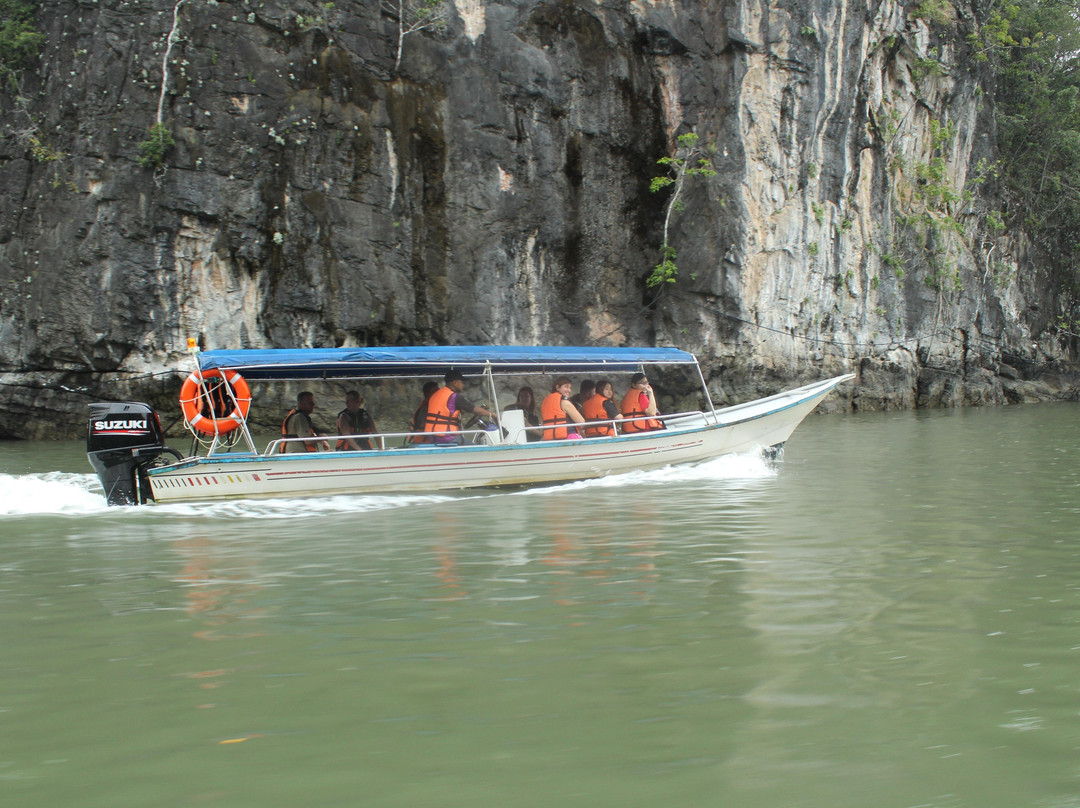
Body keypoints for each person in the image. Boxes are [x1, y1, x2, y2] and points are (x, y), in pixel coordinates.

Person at [422, 370, 497, 445]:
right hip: (446, 436)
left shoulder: (437, 394)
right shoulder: (453, 397)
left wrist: (481, 410)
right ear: (455, 383)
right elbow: (472, 409)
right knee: (476, 449)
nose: (463, 385)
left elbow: (461, 409)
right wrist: (492, 414)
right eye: (462, 382)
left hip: (433, 436)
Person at [407, 381, 440, 445]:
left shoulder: (432, 406)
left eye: (438, 391)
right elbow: (429, 428)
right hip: (424, 442)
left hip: (428, 441)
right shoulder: (425, 409)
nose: (438, 393)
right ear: (427, 394)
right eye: (435, 391)